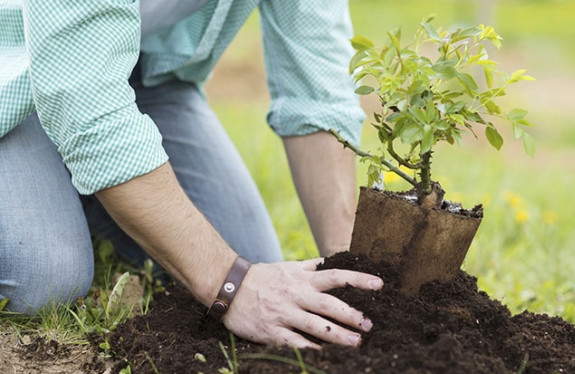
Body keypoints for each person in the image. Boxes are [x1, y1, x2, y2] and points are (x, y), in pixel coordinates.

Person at [0, 0, 384, 348]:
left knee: (252, 260)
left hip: (147, 74)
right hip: (17, 62)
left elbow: (318, 86)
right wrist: (231, 287)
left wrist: (351, 275)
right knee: (45, 279)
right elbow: (84, 99)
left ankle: (84, 183)